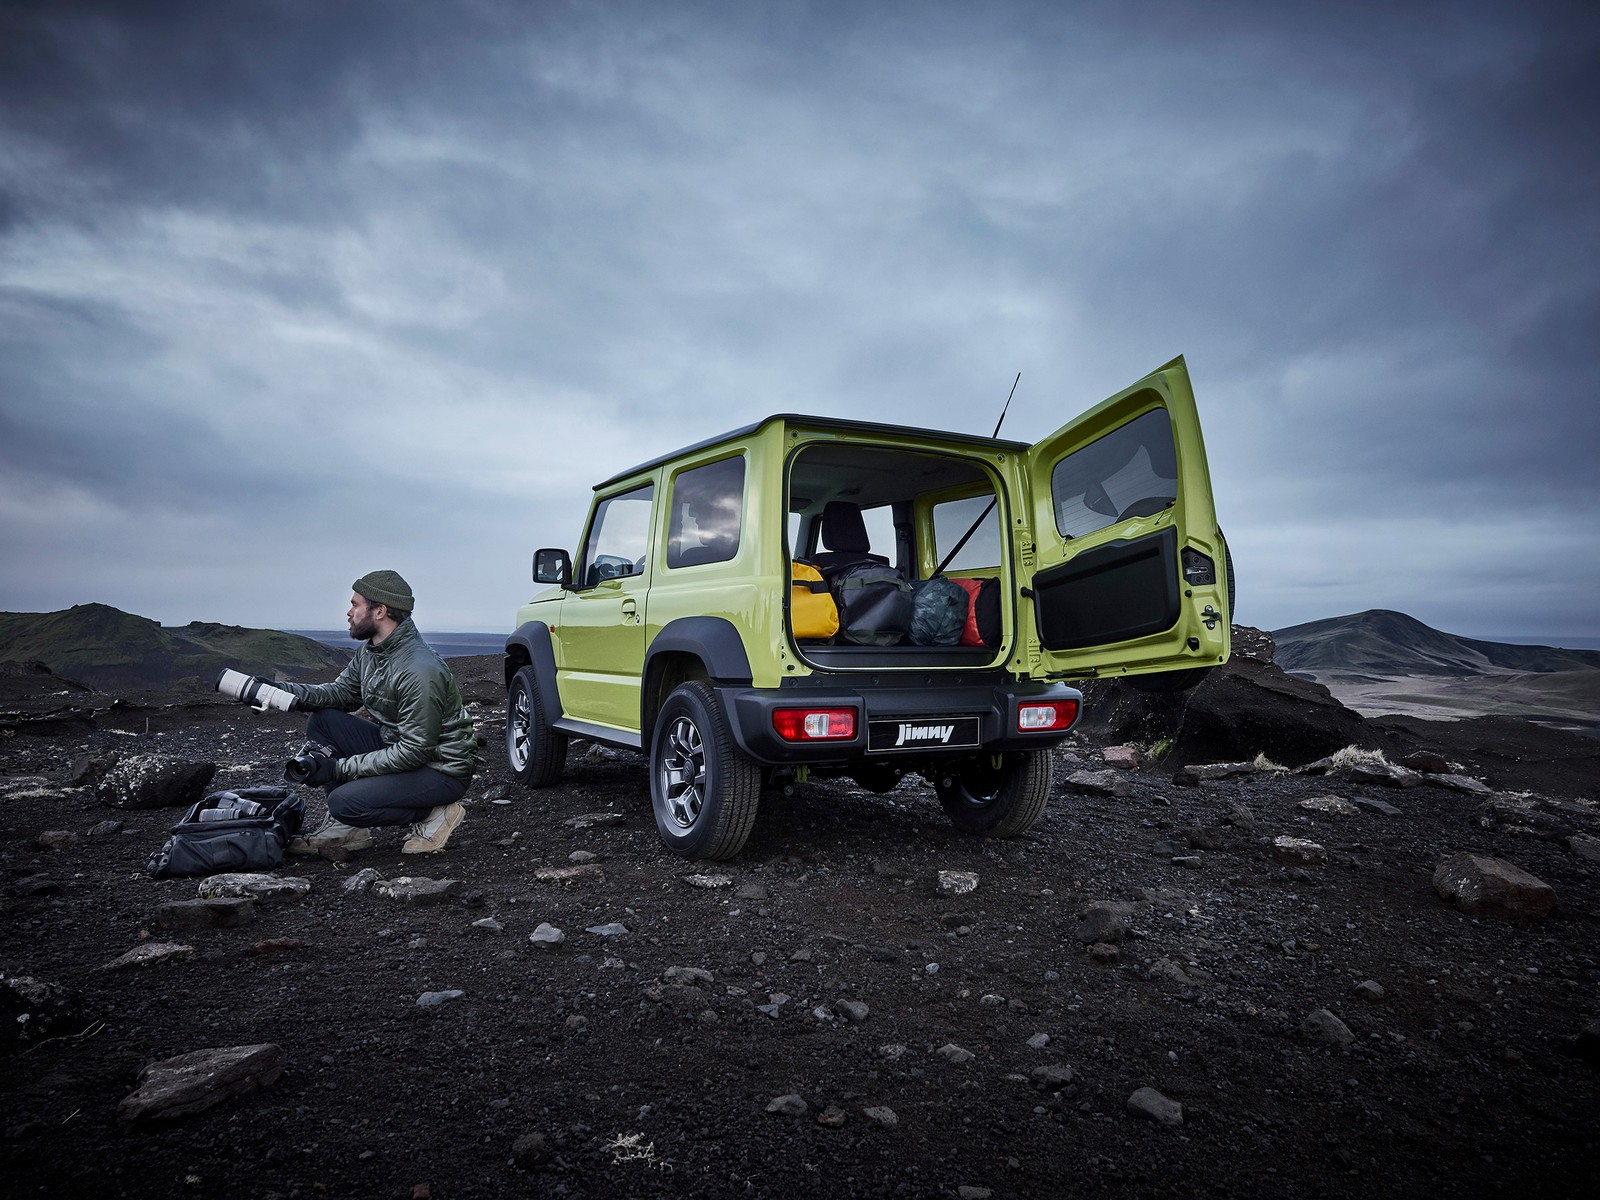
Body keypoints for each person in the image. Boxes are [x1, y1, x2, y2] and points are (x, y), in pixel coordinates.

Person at [278, 570, 478, 855]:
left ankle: (433, 813)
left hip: (440, 770)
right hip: (401, 748)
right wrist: (277, 693)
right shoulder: (372, 651)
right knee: (324, 720)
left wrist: (337, 769)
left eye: (355, 604)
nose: (349, 612)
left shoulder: (418, 670)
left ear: (380, 611)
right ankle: (346, 830)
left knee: (345, 802)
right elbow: (340, 695)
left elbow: (414, 752)